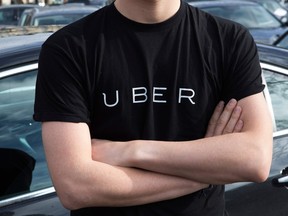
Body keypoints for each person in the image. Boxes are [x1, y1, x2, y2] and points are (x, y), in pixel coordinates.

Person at [33, 0, 273, 215]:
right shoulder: (69, 48)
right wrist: (205, 177)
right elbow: (76, 187)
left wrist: (131, 151)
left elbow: (256, 160)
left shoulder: (229, 40)